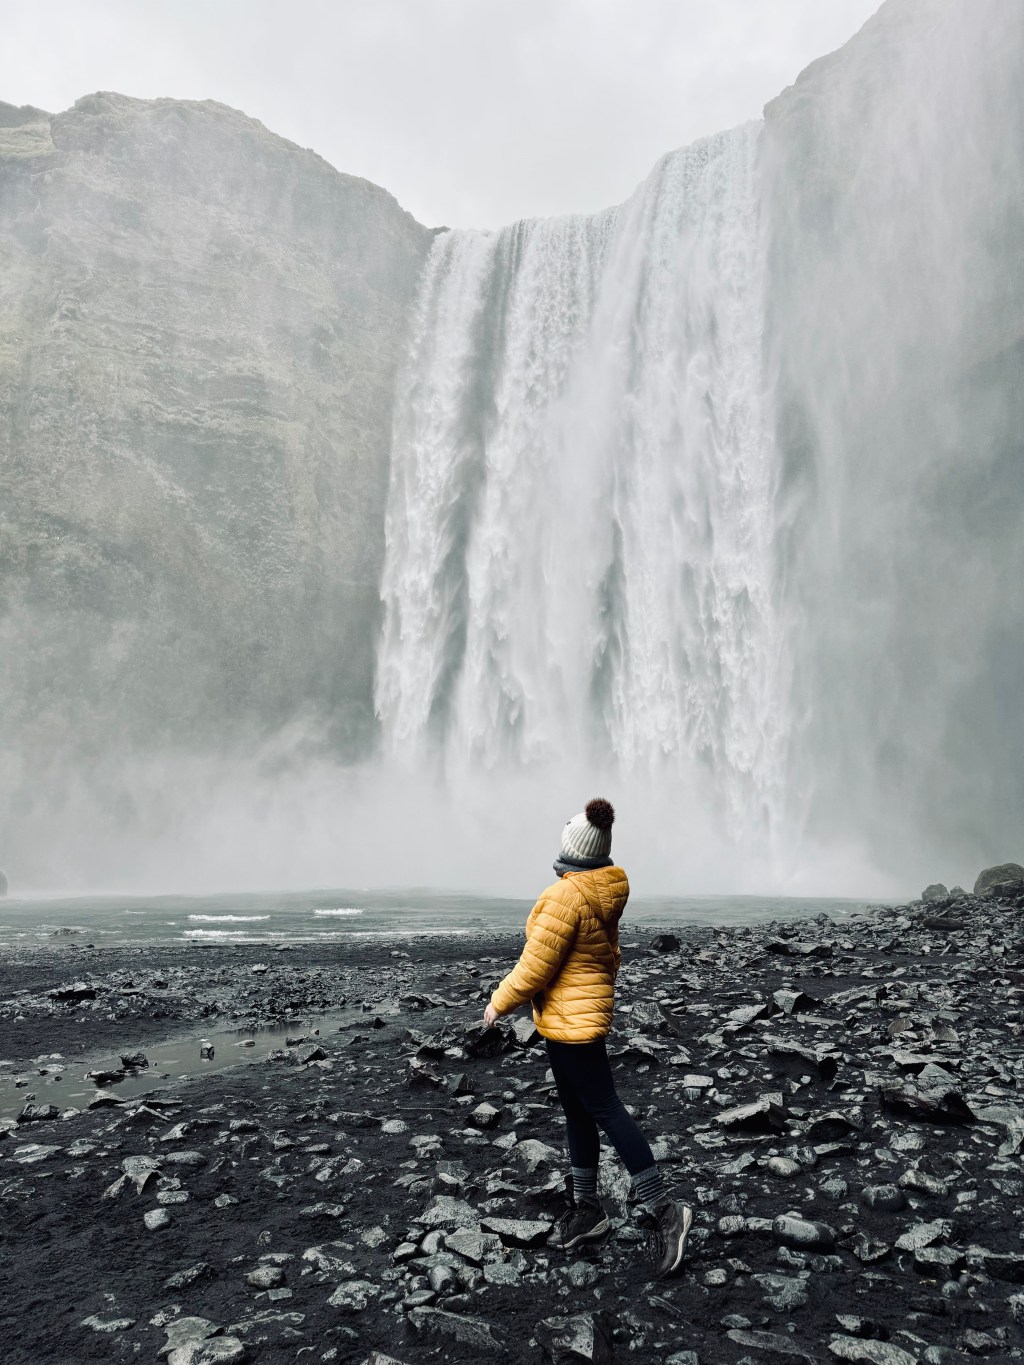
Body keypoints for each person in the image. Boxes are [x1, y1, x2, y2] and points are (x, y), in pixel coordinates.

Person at [483, 797, 693, 1277]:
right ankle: (588, 1209)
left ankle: (666, 1211)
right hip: (577, 1018)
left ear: (573, 849)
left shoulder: (566, 896)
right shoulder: (603, 890)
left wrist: (498, 1002)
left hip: (570, 1024)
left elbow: (535, 966)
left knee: (605, 1111)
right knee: (578, 1110)